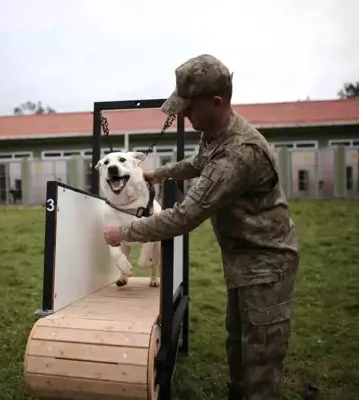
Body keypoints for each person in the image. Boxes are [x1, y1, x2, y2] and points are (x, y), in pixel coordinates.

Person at [103, 54, 300, 400]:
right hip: (242, 257)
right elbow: (198, 163)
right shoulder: (215, 133)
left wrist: (125, 233)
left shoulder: (238, 154)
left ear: (217, 102)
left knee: (260, 354)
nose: (183, 115)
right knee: (238, 340)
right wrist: (158, 173)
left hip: (266, 262)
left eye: (189, 108)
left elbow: (184, 216)